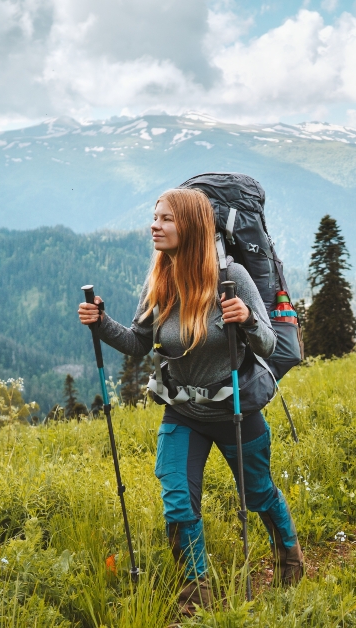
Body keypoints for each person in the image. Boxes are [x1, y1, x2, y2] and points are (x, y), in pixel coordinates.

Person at [78, 188, 303, 615]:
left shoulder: (231, 276)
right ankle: (194, 601)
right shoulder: (159, 280)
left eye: (165, 219)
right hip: (182, 411)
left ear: (192, 227)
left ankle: (289, 562)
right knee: (179, 502)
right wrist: (102, 322)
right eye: (154, 216)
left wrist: (249, 319)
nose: (154, 225)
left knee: (257, 495)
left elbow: (269, 343)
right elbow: (138, 342)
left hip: (235, 409)